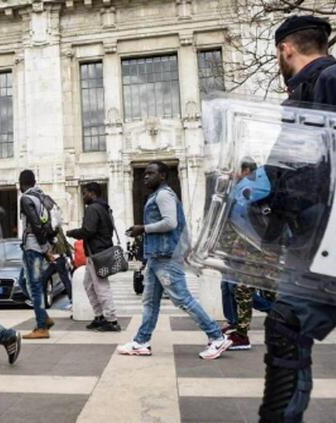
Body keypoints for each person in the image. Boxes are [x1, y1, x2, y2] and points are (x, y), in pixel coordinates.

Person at [257, 16, 336, 423]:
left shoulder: (329, 81)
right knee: (286, 325)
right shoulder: (304, 94)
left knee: (287, 325)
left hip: (329, 238)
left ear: (286, 48)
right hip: (314, 239)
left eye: (277, 53)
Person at [118, 161, 231, 359]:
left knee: (183, 299)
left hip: (166, 256)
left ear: (162, 176)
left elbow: (171, 223)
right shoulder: (157, 195)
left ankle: (217, 337)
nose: (145, 176)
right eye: (144, 173)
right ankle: (141, 341)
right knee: (149, 302)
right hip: (156, 256)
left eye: (150, 173)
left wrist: (143, 228)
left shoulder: (164, 195)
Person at [219, 158, 278, 351]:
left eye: (235, 170)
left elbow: (249, 221)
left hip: (263, 247)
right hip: (257, 247)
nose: (232, 174)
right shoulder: (250, 188)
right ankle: (242, 333)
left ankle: (243, 335)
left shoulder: (256, 188)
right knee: (260, 289)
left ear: (245, 170)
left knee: (252, 288)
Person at [66, 182, 121, 332]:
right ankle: (99, 316)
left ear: (92, 193)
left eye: (85, 193)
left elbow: (88, 230)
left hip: (97, 253)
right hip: (97, 252)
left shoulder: (93, 208)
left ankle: (112, 320)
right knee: (88, 285)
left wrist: (72, 233)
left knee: (101, 287)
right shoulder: (104, 208)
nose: (83, 196)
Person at [18, 170, 55, 339]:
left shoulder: (26, 198)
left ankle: (42, 327)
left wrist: (45, 249)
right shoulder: (41, 197)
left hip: (33, 247)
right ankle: (44, 317)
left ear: (21, 183)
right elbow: (47, 226)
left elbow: (36, 225)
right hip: (34, 247)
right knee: (23, 281)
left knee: (35, 286)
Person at [41, 227, 74, 309]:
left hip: (57, 259)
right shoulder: (59, 230)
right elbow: (65, 244)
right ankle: (72, 299)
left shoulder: (52, 232)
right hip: (59, 259)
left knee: (47, 277)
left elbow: (57, 243)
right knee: (64, 279)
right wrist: (70, 257)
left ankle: (72, 299)